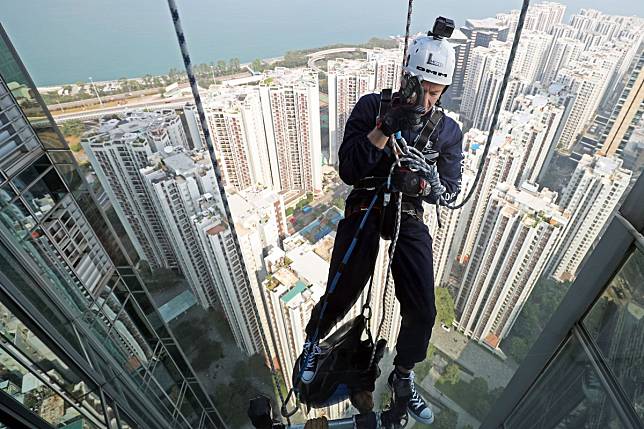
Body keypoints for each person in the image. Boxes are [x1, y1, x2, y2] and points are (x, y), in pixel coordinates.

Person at [298, 33, 463, 424]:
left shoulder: (446, 131)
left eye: (436, 93)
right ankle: (312, 342)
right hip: (368, 199)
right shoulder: (373, 107)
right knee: (344, 284)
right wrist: (384, 128)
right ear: (407, 77)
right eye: (421, 89)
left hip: (408, 209)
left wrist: (421, 184)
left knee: (423, 309)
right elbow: (350, 169)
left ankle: (403, 375)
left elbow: (451, 191)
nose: (426, 101)